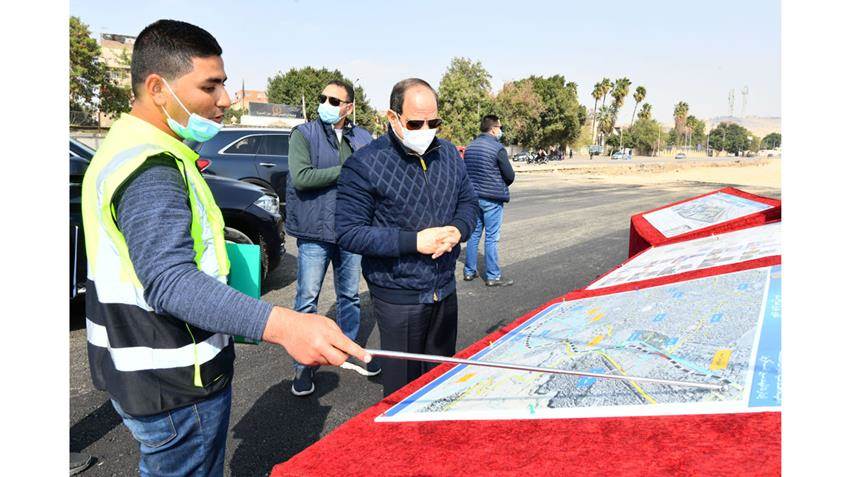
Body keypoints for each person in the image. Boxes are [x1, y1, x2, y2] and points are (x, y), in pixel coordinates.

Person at [81, 20, 368, 476]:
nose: (226, 99)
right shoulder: (151, 168)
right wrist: (282, 324)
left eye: (224, 84)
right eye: (209, 86)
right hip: (176, 382)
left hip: (145, 372)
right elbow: (170, 282)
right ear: (157, 88)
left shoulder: (127, 144)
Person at [335, 78, 479, 396]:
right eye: (415, 123)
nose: (426, 130)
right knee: (403, 391)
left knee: (441, 385)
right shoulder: (364, 164)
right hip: (399, 297)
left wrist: (459, 229)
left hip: (444, 290)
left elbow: (469, 202)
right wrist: (413, 242)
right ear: (393, 117)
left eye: (434, 123)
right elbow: (349, 232)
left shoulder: (449, 154)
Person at [286, 80, 380, 396]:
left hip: (350, 230)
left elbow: (372, 178)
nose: (326, 103)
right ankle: (303, 366)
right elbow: (302, 178)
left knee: (349, 296)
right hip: (315, 231)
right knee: (307, 298)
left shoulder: (362, 137)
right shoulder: (304, 134)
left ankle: (346, 349)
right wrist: (347, 170)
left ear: (349, 107)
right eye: (323, 98)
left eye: (334, 100)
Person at [462, 115, 515, 287]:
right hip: (492, 199)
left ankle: (469, 271)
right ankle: (493, 276)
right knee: (491, 238)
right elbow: (510, 175)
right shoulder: (498, 148)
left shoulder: (470, 147)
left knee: (474, 234)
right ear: (493, 129)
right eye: (500, 127)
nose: (501, 130)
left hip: (474, 197)